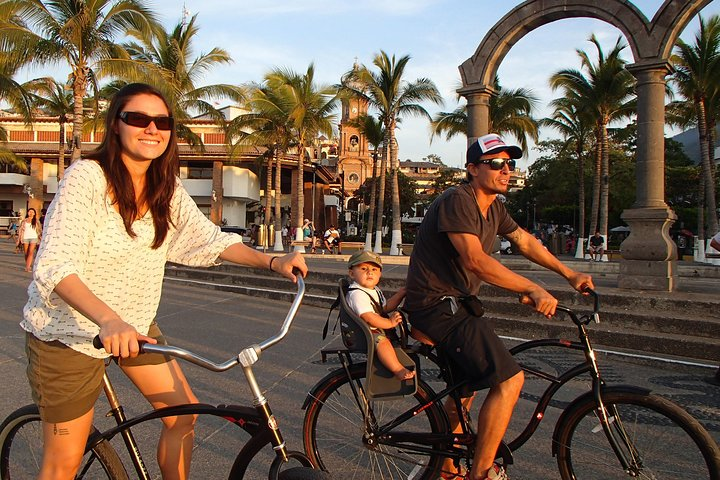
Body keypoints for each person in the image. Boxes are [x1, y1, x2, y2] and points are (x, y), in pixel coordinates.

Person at [20, 83, 308, 480]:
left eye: (162, 121)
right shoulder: (87, 178)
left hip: (134, 327)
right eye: (137, 118)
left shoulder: (165, 187)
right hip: (68, 333)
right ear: (115, 125)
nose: (151, 128)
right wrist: (108, 319)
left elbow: (209, 240)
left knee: (183, 418)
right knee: (62, 464)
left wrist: (273, 261)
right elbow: (55, 265)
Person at [404, 133, 593, 480]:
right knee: (509, 380)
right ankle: (481, 472)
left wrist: (568, 273)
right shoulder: (457, 200)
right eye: (496, 163)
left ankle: (446, 468)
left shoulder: (495, 208)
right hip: (436, 305)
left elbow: (524, 240)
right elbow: (476, 260)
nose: (506, 170)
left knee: (465, 390)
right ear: (473, 169)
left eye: (510, 164)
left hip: (457, 303)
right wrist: (532, 287)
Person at [345, 250, 414, 381]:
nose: (369, 272)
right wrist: (389, 323)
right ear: (352, 273)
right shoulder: (357, 294)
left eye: (374, 269)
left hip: (372, 328)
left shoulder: (373, 290)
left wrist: (400, 294)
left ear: (380, 274)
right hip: (363, 332)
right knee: (382, 342)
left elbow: (384, 307)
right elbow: (368, 316)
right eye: (363, 268)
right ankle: (398, 369)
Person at [17, 207, 42, 272]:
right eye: (30, 212)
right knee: (26, 253)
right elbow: (20, 230)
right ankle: (28, 264)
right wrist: (19, 239)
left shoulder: (36, 221)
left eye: (32, 212)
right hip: (25, 238)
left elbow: (39, 230)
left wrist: (40, 237)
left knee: (31, 252)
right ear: (27, 213)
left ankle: (27, 267)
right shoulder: (24, 221)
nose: (31, 213)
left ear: (34, 214)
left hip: (34, 238)